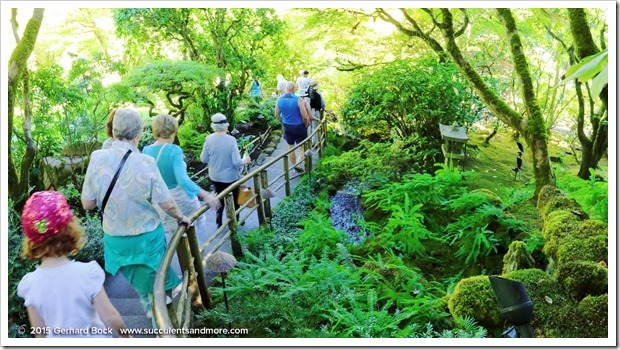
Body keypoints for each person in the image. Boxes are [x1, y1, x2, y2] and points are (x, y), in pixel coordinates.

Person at [81, 108, 186, 326]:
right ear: (138, 134)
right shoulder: (145, 162)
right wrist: (181, 217)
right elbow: (166, 202)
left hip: (116, 241)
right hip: (146, 240)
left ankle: (151, 309)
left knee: (141, 281)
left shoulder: (97, 158)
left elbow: (87, 203)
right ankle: (163, 322)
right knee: (156, 280)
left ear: (113, 131)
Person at [18, 191, 131, 338]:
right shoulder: (87, 273)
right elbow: (110, 317)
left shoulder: (30, 285)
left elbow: (40, 333)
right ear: (69, 230)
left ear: (31, 240)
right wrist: (127, 337)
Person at [143, 114, 220, 244]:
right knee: (197, 224)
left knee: (171, 232)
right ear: (174, 130)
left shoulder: (146, 150)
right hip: (181, 199)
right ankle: (198, 257)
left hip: (161, 200)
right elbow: (182, 180)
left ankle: (179, 260)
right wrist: (205, 195)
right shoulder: (174, 150)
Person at [200, 113, 251, 228]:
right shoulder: (231, 140)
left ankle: (219, 219)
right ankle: (235, 219)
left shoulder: (208, 139)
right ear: (226, 126)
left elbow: (203, 159)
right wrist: (245, 160)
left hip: (215, 176)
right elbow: (237, 162)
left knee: (219, 196)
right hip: (230, 177)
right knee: (234, 199)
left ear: (213, 126)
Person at [275, 81, 312, 173]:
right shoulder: (298, 99)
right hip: (299, 126)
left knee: (290, 146)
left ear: (285, 89)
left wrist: (282, 121)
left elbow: (276, 114)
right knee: (302, 146)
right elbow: (304, 115)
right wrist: (305, 124)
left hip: (287, 126)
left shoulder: (279, 100)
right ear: (294, 89)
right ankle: (298, 164)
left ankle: (294, 166)